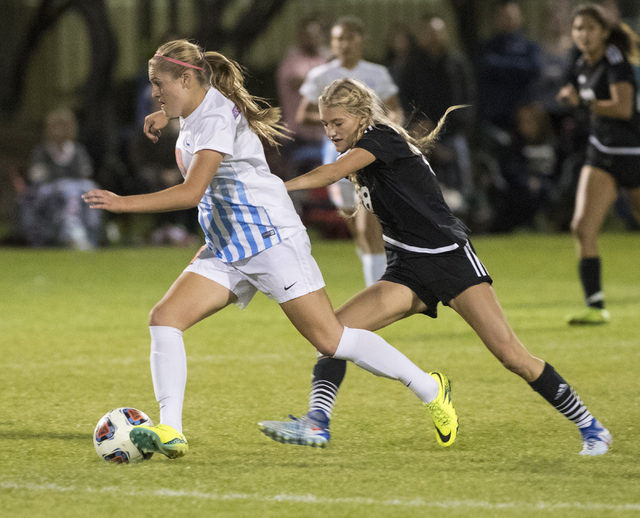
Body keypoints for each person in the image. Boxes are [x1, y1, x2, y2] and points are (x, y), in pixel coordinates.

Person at [82, 39, 459, 458]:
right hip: (227, 245)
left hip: (269, 239)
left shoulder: (214, 120)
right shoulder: (195, 110)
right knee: (165, 318)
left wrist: (122, 203)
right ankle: (171, 429)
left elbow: (192, 193)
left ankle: (429, 387)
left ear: (186, 78)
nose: (154, 91)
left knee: (331, 339)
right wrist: (166, 112)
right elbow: (195, 123)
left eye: (158, 83)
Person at [258, 78, 612, 457]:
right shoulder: (364, 148)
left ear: (361, 117)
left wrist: (270, 188)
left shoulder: (380, 138)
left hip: (448, 260)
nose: (330, 131)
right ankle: (317, 423)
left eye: (337, 123)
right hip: (407, 268)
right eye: (325, 124)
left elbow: (329, 173)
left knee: (513, 357)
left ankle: (592, 427)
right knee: (333, 335)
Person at [297, 15, 403, 287]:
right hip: (336, 157)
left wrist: (390, 127)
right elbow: (303, 113)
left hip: (369, 156)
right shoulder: (322, 75)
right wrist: (338, 120)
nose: (343, 44)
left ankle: (378, 291)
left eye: (348, 37)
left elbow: (394, 108)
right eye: (338, 39)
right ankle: (373, 268)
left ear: (361, 40)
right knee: (357, 228)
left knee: (370, 226)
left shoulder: (376, 73)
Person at [557, 4, 640, 325]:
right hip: (602, 151)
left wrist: (583, 102)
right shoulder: (582, 63)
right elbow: (578, 93)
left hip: (633, 153)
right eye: (578, 29)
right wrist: (569, 93)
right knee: (582, 226)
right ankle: (595, 306)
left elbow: (623, 109)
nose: (583, 34)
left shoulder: (615, 62)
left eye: (590, 28)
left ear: (605, 32)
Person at [17, 108, 101, 249]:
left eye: (63, 126)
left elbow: (85, 172)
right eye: (56, 126)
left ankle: (89, 236)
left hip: (75, 190)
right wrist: (64, 180)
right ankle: (70, 235)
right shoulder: (41, 152)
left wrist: (65, 180)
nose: (59, 130)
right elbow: (37, 177)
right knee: (65, 191)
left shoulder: (77, 151)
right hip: (48, 193)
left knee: (91, 190)